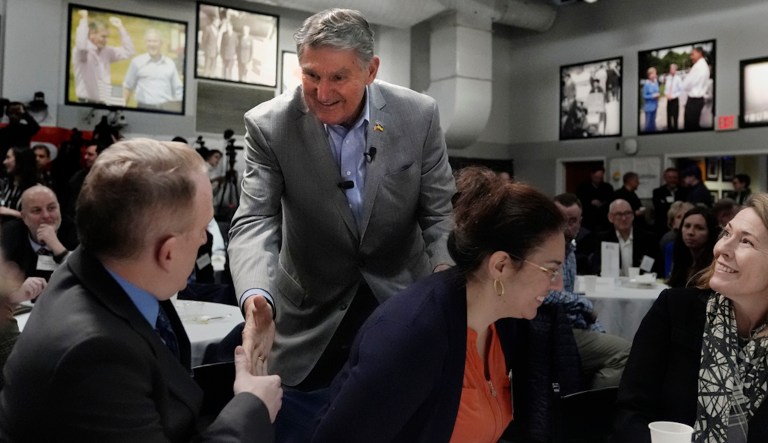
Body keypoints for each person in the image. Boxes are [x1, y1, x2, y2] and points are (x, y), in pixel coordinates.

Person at [227, 8, 456, 440]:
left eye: (338, 77)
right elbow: (255, 219)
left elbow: (440, 212)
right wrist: (257, 296)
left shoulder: (418, 115)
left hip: (399, 305)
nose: (322, 92)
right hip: (309, 315)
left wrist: (445, 278)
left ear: (371, 70)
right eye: (311, 75)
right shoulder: (268, 125)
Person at [0, 138, 282, 441]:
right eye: (202, 229)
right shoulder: (95, 354)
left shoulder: (108, 271)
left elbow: (165, 388)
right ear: (168, 252)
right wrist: (252, 407)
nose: (204, 240)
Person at [312, 167, 566, 442]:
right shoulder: (413, 333)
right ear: (501, 265)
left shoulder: (503, 325)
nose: (557, 284)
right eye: (550, 270)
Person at [613, 194, 768, 443]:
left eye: (746, 241)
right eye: (727, 233)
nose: (721, 249)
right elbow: (631, 413)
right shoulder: (675, 311)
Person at [547, 193, 630, 388]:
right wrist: (582, 304)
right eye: (561, 220)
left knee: (611, 338)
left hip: (569, 324)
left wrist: (594, 325)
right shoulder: (543, 251)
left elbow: (569, 297)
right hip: (551, 327)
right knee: (626, 352)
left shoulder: (570, 252)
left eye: (573, 221)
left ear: (580, 222)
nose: (567, 226)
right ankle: (592, 402)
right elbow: (542, 294)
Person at [0, 185, 78, 283]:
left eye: (51, 208)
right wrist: (17, 290)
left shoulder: (76, 232)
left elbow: (85, 275)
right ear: (24, 217)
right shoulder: (9, 234)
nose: (46, 215)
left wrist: (57, 247)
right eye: (37, 210)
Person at [73, 9, 135, 103]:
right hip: (85, 104)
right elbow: (81, 44)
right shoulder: (82, 52)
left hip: (105, 103)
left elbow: (129, 51)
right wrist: (84, 20)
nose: (106, 40)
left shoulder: (107, 51)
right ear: (92, 34)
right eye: (103, 36)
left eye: (107, 37)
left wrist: (120, 27)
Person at [591, 199, 660, 276]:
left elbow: (656, 269)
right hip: (613, 282)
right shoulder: (603, 239)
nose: (624, 218)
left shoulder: (648, 239)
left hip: (641, 282)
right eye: (619, 214)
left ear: (633, 216)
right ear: (610, 217)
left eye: (627, 213)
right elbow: (597, 267)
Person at [123, 28, 183, 112]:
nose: (152, 44)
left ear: (161, 43)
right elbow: (127, 87)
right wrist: (123, 109)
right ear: (145, 43)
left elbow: (178, 89)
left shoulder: (170, 63)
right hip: (143, 109)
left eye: (155, 41)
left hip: (165, 109)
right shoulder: (137, 62)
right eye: (149, 41)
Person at [666, 207, 718, 288]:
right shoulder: (681, 257)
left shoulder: (714, 266)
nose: (690, 232)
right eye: (687, 226)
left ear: (710, 233)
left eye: (699, 228)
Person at [659, 201, 695, 278]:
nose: (683, 219)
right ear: (672, 222)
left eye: (686, 216)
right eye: (679, 217)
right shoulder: (669, 239)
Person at [0, 147, 38, 220]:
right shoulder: (4, 185)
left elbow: (38, 218)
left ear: (20, 160)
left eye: (8, 157)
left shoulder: (37, 190)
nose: (4, 162)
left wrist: (12, 212)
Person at [576, 165, 614, 233]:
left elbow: (611, 201)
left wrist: (603, 203)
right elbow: (578, 201)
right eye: (596, 177)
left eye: (600, 177)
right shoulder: (583, 187)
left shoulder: (607, 187)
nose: (598, 180)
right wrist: (590, 202)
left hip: (603, 221)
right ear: (591, 175)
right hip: (588, 220)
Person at [652, 167, 686, 238]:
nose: (672, 180)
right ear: (665, 178)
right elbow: (659, 208)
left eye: (675, 177)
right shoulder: (658, 192)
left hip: (680, 226)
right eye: (670, 177)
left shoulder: (685, 191)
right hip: (662, 226)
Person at [682, 46, 710, 131]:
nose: (691, 57)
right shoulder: (705, 66)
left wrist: (685, 84)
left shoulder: (698, 66)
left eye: (693, 54)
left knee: (690, 127)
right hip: (699, 101)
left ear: (699, 53)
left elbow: (686, 84)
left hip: (693, 102)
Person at [664, 64, 683, 131]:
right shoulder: (668, 78)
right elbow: (666, 89)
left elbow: (681, 90)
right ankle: (669, 128)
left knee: (675, 115)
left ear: (675, 70)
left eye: (673, 69)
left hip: (675, 100)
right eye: (670, 68)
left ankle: (675, 128)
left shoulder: (678, 79)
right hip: (669, 100)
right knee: (668, 115)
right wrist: (666, 94)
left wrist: (673, 96)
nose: (671, 70)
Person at [642, 67, 660, 132]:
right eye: (654, 74)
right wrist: (652, 96)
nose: (655, 75)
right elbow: (644, 96)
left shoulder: (656, 82)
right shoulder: (646, 84)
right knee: (648, 125)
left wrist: (658, 94)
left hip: (655, 106)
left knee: (653, 123)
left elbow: (657, 91)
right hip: (649, 108)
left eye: (655, 74)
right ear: (650, 75)